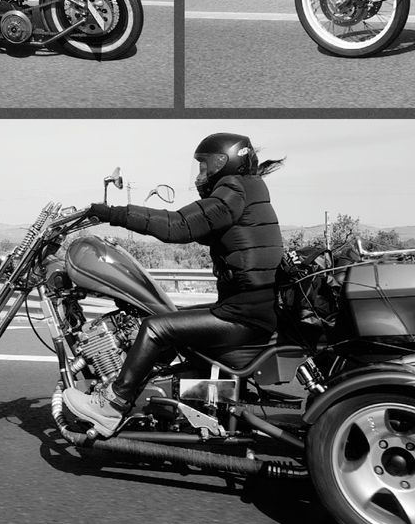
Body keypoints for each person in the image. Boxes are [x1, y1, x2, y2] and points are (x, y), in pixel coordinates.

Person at [60, 132, 285, 437]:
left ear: (225, 161)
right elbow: (199, 227)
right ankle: (180, 395)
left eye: (206, 166)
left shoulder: (234, 189)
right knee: (172, 319)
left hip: (243, 312)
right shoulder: (249, 189)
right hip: (251, 305)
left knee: (155, 327)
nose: (202, 173)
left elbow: (178, 225)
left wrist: (113, 214)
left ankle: (112, 405)